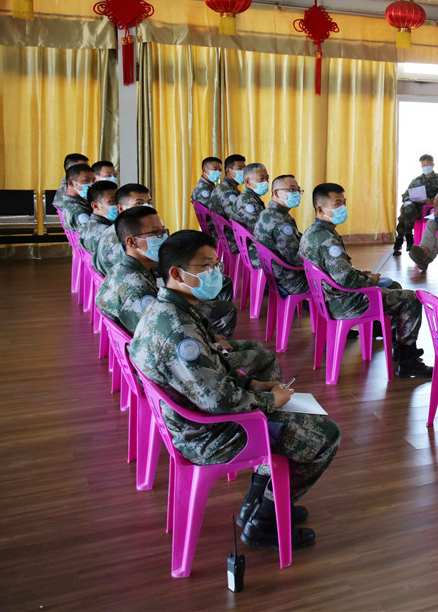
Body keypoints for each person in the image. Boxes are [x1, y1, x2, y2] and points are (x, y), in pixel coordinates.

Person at [130, 229, 340, 550]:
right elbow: (219, 401)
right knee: (326, 435)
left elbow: (211, 374)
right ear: (176, 273)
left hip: (193, 422)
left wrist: (253, 384)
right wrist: (269, 399)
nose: (215, 272)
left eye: (216, 264)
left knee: (294, 412)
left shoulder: (170, 310)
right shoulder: (180, 331)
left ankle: (257, 502)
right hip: (209, 436)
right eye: (206, 266)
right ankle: (264, 521)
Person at [299, 183, 432, 378]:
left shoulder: (312, 233)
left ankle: (397, 346)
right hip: (345, 302)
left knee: (394, 287)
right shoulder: (328, 240)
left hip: (329, 298)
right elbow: (346, 279)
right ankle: (408, 362)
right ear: (320, 209)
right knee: (411, 299)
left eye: (344, 203)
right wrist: (369, 279)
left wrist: (363, 274)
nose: (343, 208)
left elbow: (336, 272)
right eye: (337, 204)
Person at [96, 206, 239, 339]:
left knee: (217, 282)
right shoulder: (137, 289)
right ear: (132, 242)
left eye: (163, 231)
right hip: (161, 340)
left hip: (155, 322)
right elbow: (157, 331)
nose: (163, 237)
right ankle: (215, 344)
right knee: (224, 309)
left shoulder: (129, 265)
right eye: (155, 233)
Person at [254, 175, 309, 296]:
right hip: (290, 280)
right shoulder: (280, 222)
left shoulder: (270, 213)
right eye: (291, 189)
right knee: (334, 281)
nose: (296, 193)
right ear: (276, 193)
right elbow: (295, 258)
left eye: (298, 190)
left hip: (275, 274)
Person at [92, 183, 152, 276]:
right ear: (121, 208)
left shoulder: (124, 228)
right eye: (139, 203)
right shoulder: (119, 238)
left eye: (148, 203)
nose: (146, 208)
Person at [393, 154, 438, 256]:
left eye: (428, 165)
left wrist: (432, 201)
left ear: (433, 164)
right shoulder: (416, 180)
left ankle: (400, 240)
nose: (426, 167)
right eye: (423, 165)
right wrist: (410, 199)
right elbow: (405, 196)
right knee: (408, 208)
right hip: (413, 207)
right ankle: (408, 237)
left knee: (406, 213)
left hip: (428, 209)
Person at [229, 162, 270, 268]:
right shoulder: (246, 201)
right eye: (261, 179)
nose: (266, 182)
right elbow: (260, 230)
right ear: (247, 181)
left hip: (254, 247)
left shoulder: (252, 198)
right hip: (254, 252)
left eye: (267, 178)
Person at [206, 153, 246, 254]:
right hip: (229, 238)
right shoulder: (227, 191)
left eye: (245, 169)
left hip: (224, 233)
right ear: (228, 171)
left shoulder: (227, 186)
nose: (243, 172)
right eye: (239, 168)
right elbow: (237, 217)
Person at [78, 180, 119, 254]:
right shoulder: (106, 233)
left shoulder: (90, 224)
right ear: (95, 206)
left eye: (118, 200)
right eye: (112, 201)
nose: (118, 205)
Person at [58, 163, 96, 232]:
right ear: (71, 183)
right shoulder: (77, 210)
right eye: (86, 180)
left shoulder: (81, 200)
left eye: (93, 181)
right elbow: (92, 232)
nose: (91, 184)